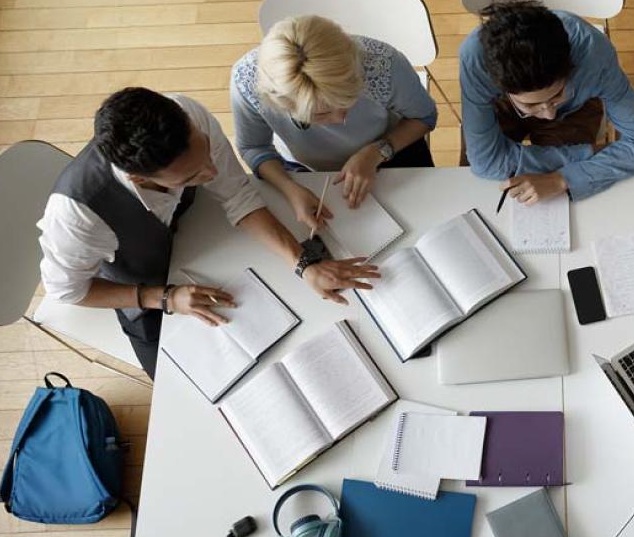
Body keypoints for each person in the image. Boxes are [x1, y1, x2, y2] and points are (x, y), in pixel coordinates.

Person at [38, 88, 380, 379]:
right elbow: (67, 292)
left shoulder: (187, 113)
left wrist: (304, 263)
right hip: (145, 284)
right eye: (191, 176)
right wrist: (165, 298)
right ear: (141, 179)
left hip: (199, 232)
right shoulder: (77, 217)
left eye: (204, 152)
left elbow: (236, 195)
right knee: (194, 384)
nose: (212, 171)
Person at [231, 15, 438, 230]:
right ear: (282, 105)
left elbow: (424, 116)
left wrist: (376, 151)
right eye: (319, 115)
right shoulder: (247, 83)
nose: (341, 119)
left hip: (393, 148)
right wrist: (289, 189)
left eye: (349, 100)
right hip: (302, 169)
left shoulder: (383, 64)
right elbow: (254, 147)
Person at [459, 0, 634, 204]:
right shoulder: (474, 60)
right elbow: (484, 163)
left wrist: (561, 178)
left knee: (568, 200)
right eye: (531, 105)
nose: (549, 114)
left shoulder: (595, 55)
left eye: (556, 95)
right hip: (500, 106)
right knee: (476, 184)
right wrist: (590, 153)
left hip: (575, 108)